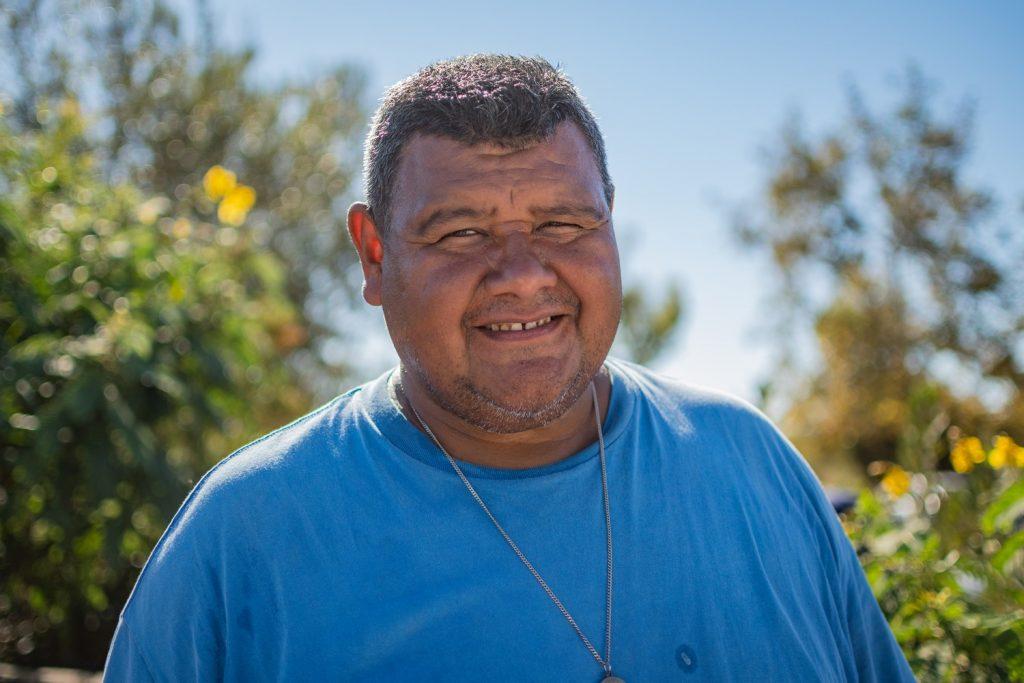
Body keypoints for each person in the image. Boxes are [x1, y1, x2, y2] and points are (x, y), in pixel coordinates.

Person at [104, 55, 914, 682]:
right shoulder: (245, 536)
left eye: (564, 222)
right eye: (461, 233)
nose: (524, 273)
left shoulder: (754, 464)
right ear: (374, 253)